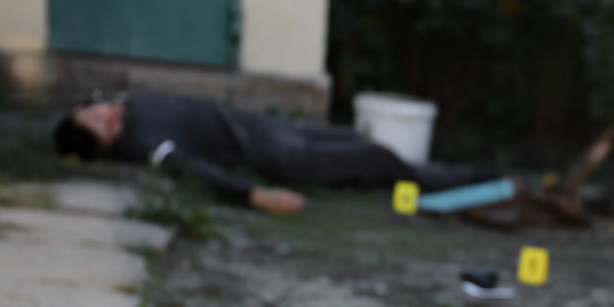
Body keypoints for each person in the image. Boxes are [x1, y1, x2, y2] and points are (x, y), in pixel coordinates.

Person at [52, 90, 493, 214]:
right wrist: (255, 196)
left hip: (278, 128)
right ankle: (483, 182)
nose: (110, 114)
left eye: (98, 113)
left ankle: (474, 179)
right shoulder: (144, 143)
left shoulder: (118, 103)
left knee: (363, 147)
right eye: (105, 126)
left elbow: (79, 118)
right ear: (110, 145)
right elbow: (194, 171)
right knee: (383, 160)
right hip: (280, 154)